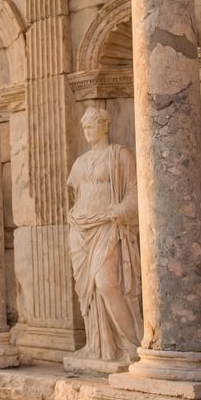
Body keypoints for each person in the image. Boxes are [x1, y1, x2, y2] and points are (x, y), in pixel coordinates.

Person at [67, 107, 142, 362]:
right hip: (80, 230)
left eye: (91, 126)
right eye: (85, 127)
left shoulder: (120, 155)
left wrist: (120, 210)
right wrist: (75, 216)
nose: (87, 131)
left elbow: (135, 192)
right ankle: (98, 346)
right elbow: (78, 197)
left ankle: (133, 344)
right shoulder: (80, 163)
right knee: (88, 293)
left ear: (105, 126)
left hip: (107, 227)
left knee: (107, 285)